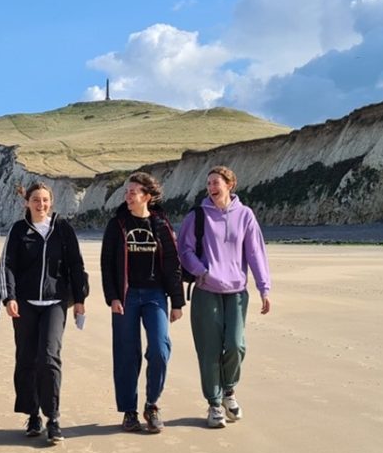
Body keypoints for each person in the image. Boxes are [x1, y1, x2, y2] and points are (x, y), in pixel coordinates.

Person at [177, 166, 272, 428]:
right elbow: (183, 250)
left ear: (230, 185)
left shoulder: (245, 215)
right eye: (208, 183)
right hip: (206, 292)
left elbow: (255, 253)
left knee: (236, 345)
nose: (211, 187)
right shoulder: (198, 215)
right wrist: (202, 271)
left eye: (216, 182)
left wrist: (264, 288)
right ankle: (214, 404)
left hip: (237, 293)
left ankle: (229, 391)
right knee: (208, 351)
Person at [0, 182, 88, 444]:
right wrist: (9, 297)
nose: (41, 205)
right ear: (27, 202)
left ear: (52, 202)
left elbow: (76, 265)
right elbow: (7, 265)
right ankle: (33, 414)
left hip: (55, 303)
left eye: (45, 200)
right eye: (36, 200)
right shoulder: (18, 230)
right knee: (26, 358)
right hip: (24, 304)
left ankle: (53, 418)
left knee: (49, 358)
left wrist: (80, 299)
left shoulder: (62, 229)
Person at [101, 172, 185, 434]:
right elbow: (107, 264)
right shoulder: (118, 224)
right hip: (126, 296)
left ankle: (152, 404)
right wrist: (113, 296)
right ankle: (129, 411)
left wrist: (177, 302)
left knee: (160, 350)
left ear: (147, 196)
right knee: (127, 354)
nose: (128, 195)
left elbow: (172, 263)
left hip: (155, 295)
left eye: (134, 191)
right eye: (127, 191)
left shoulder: (161, 224)